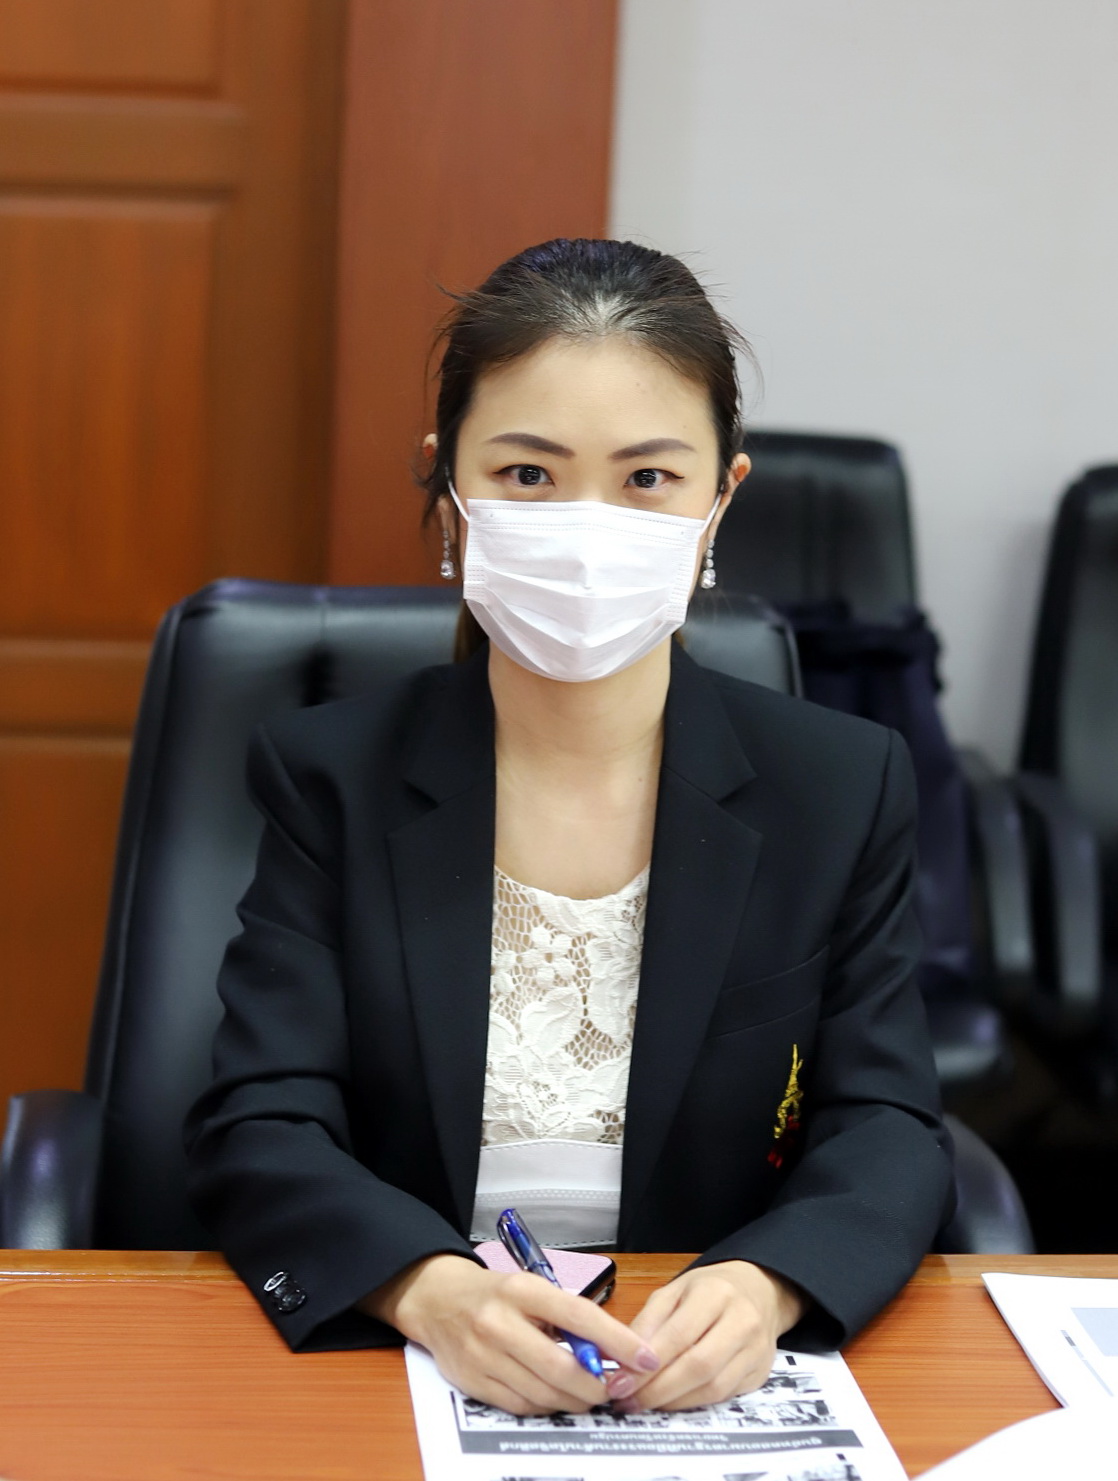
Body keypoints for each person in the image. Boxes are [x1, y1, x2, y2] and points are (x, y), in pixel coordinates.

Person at [185, 237, 953, 1418]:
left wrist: (766, 1281)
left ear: (719, 498)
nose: (585, 527)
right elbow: (261, 1117)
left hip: (697, 1382)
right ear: (447, 486)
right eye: (527, 474)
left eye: (646, 478)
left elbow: (886, 1121)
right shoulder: (332, 775)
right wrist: (424, 1288)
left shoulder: (837, 784)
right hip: (407, 1368)